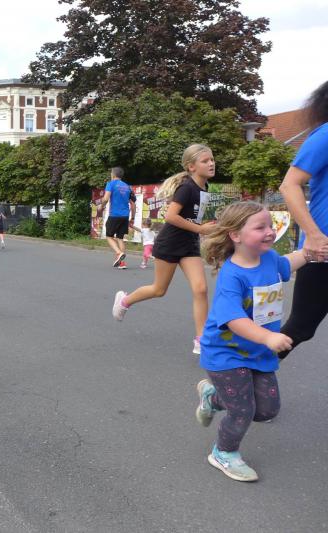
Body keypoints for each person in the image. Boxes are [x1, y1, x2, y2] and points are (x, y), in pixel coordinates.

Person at [194, 201, 306, 481]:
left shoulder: (269, 258)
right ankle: (224, 452)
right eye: (260, 227)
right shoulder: (232, 275)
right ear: (236, 235)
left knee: (267, 410)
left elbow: (287, 263)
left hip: (257, 352)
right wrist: (268, 336)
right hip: (226, 353)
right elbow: (234, 319)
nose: (270, 231)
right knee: (242, 410)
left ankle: (213, 397)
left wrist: (309, 253)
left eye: (270, 225)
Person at [112, 144, 217, 355]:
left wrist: (206, 228)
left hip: (189, 245)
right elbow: (171, 216)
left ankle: (201, 339)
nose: (211, 163)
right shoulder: (187, 188)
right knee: (159, 290)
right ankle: (124, 300)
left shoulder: (204, 187)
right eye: (205, 161)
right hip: (170, 243)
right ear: (191, 166)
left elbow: (192, 217)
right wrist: (200, 229)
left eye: (212, 159)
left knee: (201, 289)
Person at [278, 80, 328, 359]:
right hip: (324, 251)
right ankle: (232, 377)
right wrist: (314, 234)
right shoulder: (326, 135)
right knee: (300, 328)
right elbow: (289, 185)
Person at [100, 167, 136, 269]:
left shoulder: (111, 184)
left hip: (114, 215)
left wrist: (101, 206)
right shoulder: (128, 187)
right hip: (125, 216)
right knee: (120, 238)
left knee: (109, 236)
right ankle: (122, 264)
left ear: (113, 174)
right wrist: (132, 218)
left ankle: (119, 253)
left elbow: (106, 198)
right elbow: (133, 204)